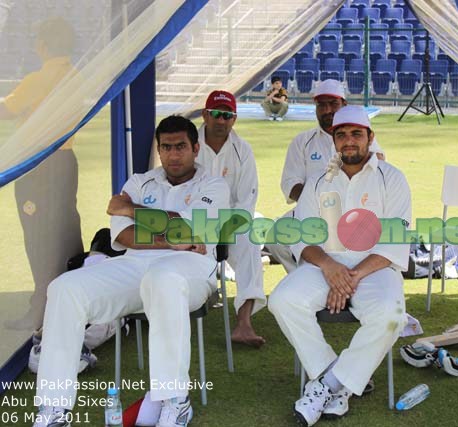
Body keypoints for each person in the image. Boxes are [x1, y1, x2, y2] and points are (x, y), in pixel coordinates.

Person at [32, 116, 230, 427]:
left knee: (163, 278)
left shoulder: (214, 185)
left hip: (191, 268)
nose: (174, 154)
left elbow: (187, 228)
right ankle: (53, 409)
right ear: (159, 150)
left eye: (181, 147)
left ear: (196, 148)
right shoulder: (138, 182)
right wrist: (170, 239)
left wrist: (131, 209)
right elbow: (124, 237)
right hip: (133, 265)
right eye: (166, 147)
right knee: (64, 288)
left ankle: (176, 400)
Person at [268, 105, 411, 426]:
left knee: (391, 316)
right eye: (341, 135)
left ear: (370, 138)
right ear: (333, 140)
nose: (349, 141)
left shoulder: (393, 179)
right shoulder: (319, 181)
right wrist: (331, 269)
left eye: (356, 134)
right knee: (282, 300)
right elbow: (303, 237)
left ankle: (328, 386)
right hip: (325, 265)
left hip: (375, 269)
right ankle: (336, 376)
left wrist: (352, 275)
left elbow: (395, 242)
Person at [0, 17, 83, 331]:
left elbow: (7, 109)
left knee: (37, 237)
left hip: (39, 167)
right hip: (65, 163)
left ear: (43, 44)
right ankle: (69, 303)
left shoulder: (39, 78)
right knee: (65, 232)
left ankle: (41, 311)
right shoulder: (75, 75)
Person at [266, 79, 385, 272]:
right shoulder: (302, 141)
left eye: (333, 104)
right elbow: (290, 183)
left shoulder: (361, 137)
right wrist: (316, 201)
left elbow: (379, 168)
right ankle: (304, 278)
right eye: (322, 105)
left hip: (356, 211)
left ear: (344, 105)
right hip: (312, 213)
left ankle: (346, 281)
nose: (328, 110)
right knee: (277, 236)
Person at [197, 90, 266, 347]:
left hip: (230, 223)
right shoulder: (189, 143)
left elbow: (246, 200)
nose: (221, 120)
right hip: (193, 222)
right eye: (215, 114)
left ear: (234, 119)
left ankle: (244, 323)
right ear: (205, 114)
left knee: (249, 243)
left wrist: (225, 232)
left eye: (227, 115)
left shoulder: (242, 150)